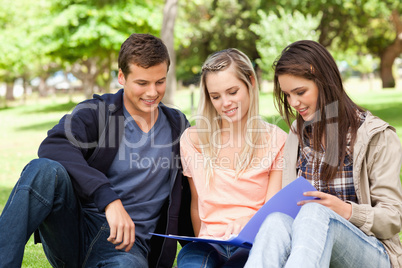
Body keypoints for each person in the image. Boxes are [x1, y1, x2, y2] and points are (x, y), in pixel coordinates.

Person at [0, 33, 192, 268]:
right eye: (142, 83)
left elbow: (196, 185)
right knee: (43, 170)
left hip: (128, 249)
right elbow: (54, 145)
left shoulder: (177, 127)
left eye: (159, 82)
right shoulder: (99, 112)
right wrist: (109, 199)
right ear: (122, 77)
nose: (152, 92)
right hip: (75, 231)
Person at [244, 40, 402, 268]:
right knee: (276, 221)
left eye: (300, 92)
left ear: (325, 82)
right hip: (311, 247)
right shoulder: (298, 134)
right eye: (288, 95)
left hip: (371, 252)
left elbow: (392, 218)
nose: (294, 103)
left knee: (315, 213)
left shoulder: (375, 136)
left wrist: (346, 211)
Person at [176, 48, 288, 267]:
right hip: (207, 245)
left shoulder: (277, 140)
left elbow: (272, 208)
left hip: (253, 242)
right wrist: (201, 241)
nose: (224, 103)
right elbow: (197, 204)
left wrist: (250, 222)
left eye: (232, 92)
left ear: (251, 83)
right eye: (215, 96)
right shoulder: (192, 140)